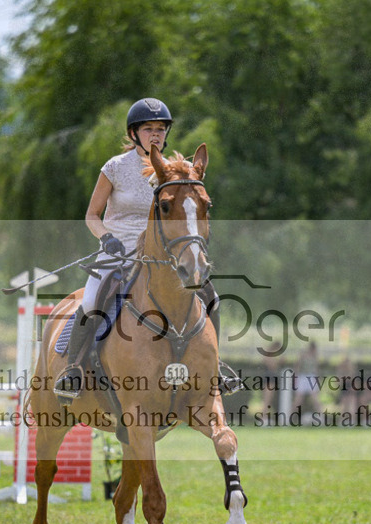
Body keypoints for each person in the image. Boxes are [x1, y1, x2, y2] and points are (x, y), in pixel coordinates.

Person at [54, 97, 238, 401]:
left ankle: (214, 367)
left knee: (211, 297)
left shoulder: (176, 171)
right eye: (149, 128)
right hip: (118, 251)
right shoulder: (114, 168)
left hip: (164, 256)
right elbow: (91, 215)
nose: (156, 134)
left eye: (161, 129)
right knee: (90, 302)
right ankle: (73, 369)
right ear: (133, 133)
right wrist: (105, 237)